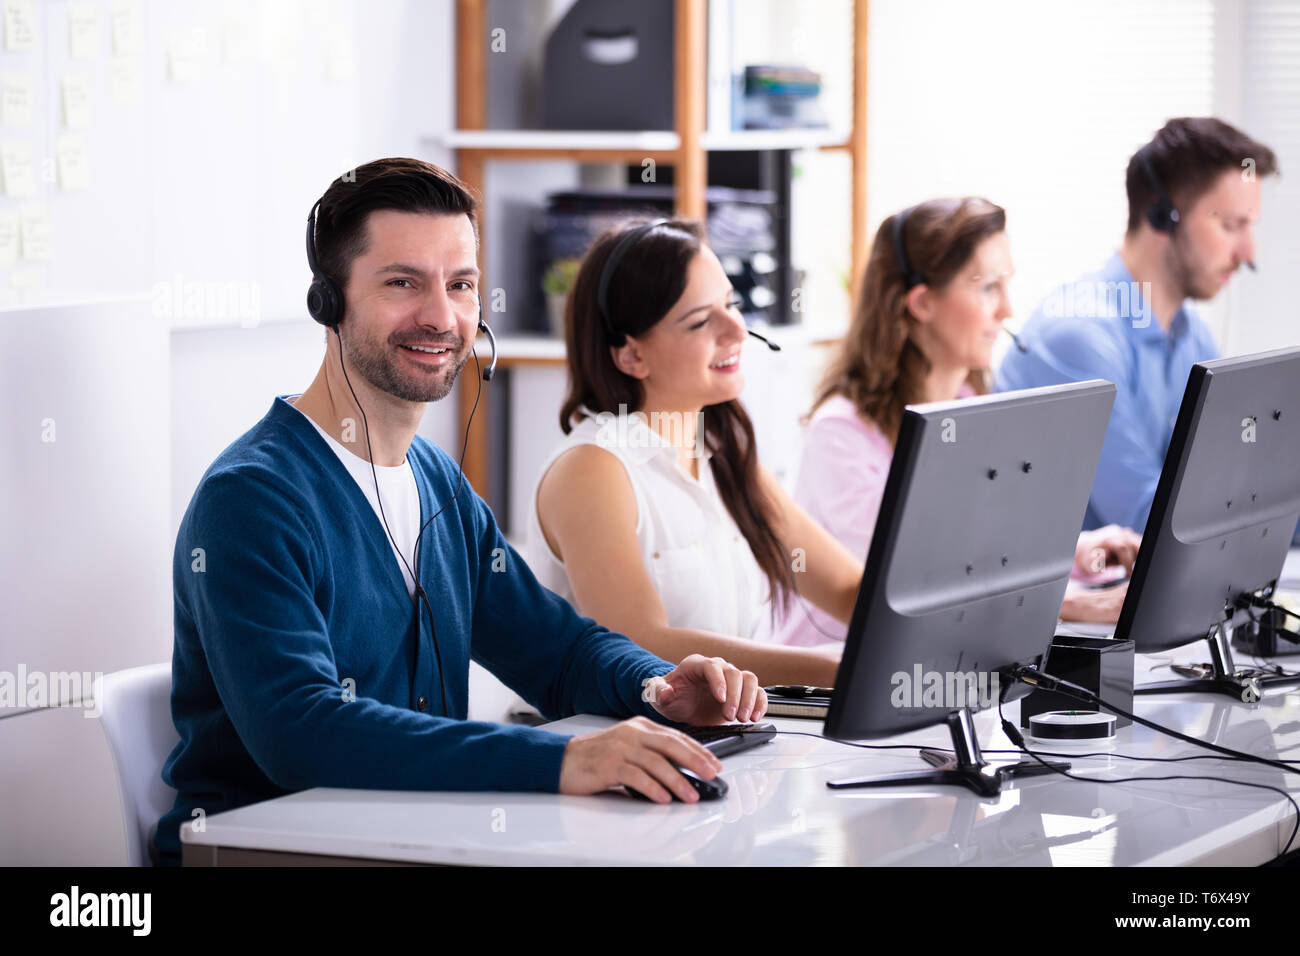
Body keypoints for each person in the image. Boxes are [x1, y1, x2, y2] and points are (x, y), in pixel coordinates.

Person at [155, 160, 768, 866]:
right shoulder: (254, 499)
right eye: (402, 282)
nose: (442, 317)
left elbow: (558, 651)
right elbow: (303, 731)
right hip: (267, 854)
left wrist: (654, 685)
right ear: (329, 302)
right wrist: (563, 759)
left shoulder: (437, 483)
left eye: (461, 285)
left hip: (419, 846)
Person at [761, 198, 1142, 648]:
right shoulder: (840, 434)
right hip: (829, 684)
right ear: (922, 302)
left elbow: (987, 553)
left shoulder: (969, 407)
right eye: (988, 289)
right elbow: (909, 584)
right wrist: (1066, 603)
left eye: (1006, 286)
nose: (1007, 311)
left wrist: (1083, 554)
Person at [524, 218, 861, 688]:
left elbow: (847, 589)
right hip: (626, 744)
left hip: (733, 737)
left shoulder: (722, 455)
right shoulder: (594, 468)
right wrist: (827, 670)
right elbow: (640, 643)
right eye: (702, 320)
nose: (736, 330)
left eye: (732, 304)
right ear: (631, 356)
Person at [996, 117, 1278, 532]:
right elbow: (1153, 519)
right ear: (1163, 217)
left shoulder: (1191, 337)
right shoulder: (1078, 337)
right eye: (1231, 225)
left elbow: (1220, 486)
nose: (1247, 252)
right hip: (1077, 592)